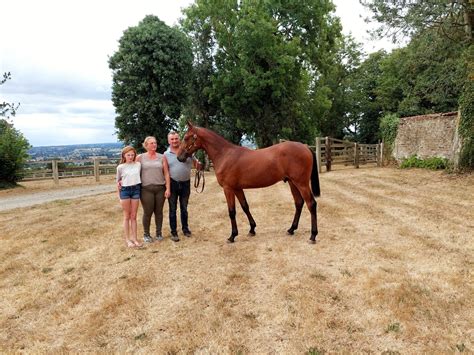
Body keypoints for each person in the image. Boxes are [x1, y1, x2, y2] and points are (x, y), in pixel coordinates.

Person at [164, 131, 202, 241]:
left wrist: (199, 164)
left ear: (179, 139)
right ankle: (174, 232)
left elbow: (196, 164)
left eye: (176, 138)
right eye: (172, 139)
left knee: (184, 208)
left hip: (186, 183)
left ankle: (185, 229)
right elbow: (166, 172)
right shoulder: (166, 155)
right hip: (173, 183)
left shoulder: (188, 151)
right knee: (172, 209)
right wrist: (167, 187)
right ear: (169, 141)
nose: (174, 141)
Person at [137, 136, 171, 243]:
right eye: (151, 143)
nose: (154, 145)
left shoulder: (162, 157)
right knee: (148, 212)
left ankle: (159, 233)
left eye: (155, 143)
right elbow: (132, 170)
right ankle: (146, 234)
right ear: (146, 145)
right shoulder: (140, 158)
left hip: (160, 188)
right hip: (146, 189)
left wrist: (168, 188)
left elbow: (166, 173)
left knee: (159, 212)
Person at [116, 146, 143, 248]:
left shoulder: (138, 165)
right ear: (124, 155)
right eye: (128, 155)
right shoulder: (120, 167)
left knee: (134, 216)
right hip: (125, 191)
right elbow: (117, 182)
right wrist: (119, 197)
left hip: (136, 190)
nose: (130, 157)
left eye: (132, 155)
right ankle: (128, 240)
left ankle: (135, 239)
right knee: (126, 216)